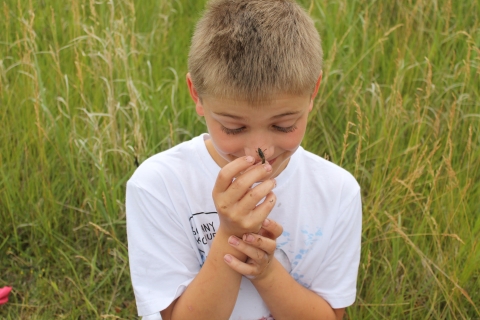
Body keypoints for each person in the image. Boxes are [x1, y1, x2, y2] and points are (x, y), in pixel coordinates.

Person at [126, 0, 362, 319]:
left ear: (313, 92)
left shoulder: (337, 192)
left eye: (283, 124)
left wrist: (266, 273)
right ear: (197, 95)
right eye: (234, 127)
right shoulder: (158, 185)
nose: (259, 151)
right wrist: (228, 237)